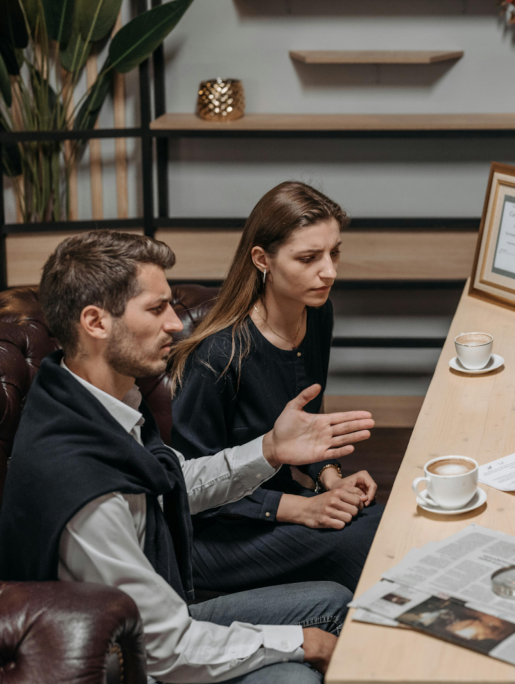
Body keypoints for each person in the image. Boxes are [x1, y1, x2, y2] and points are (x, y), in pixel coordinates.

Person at [0, 231, 374, 682]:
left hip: (159, 613)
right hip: (126, 661)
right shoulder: (84, 495)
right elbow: (165, 649)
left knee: (332, 601)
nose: (176, 324)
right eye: (156, 309)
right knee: (295, 671)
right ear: (96, 323)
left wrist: (270, 449)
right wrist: (300, 643)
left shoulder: (82, 395)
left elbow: (169, 481)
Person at [168, 182, 382, 595]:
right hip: (213, 538)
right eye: (309, 258)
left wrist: (332, 482)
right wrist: (303, 508)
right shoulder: (218, 354)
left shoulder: (316, 313)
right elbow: (189, 489)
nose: (330, 271)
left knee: (382, 523)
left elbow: (305, 430)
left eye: (334, 252)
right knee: (368, 542)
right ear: (262, 259)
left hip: (281, 510)